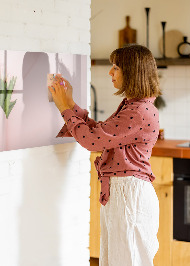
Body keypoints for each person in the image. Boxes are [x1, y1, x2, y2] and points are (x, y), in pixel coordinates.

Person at [49, 44, 161, 266]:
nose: (110, 72)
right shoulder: (134, 106)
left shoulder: (138, 111)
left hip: (129, 195)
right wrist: (70, 103)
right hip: (124, 193)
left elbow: (92, 141)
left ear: (132, 72)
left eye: (116, 67)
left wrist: (64, 108)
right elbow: (100, 133)